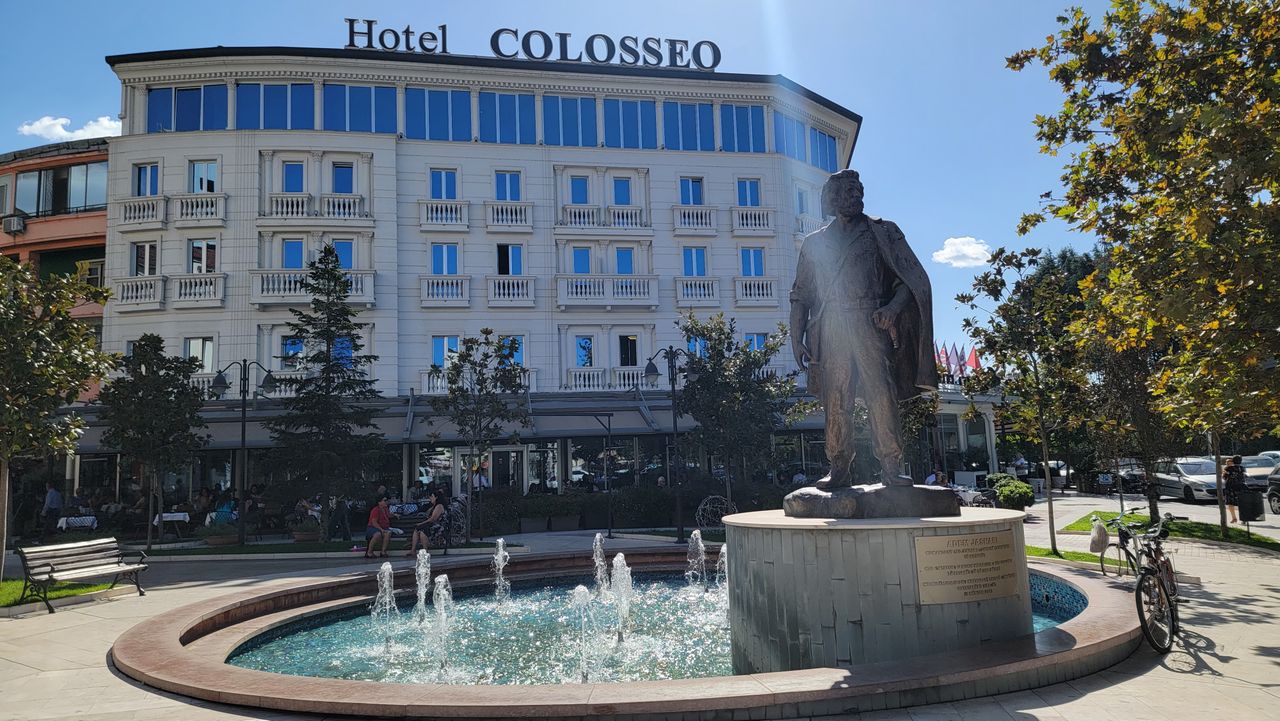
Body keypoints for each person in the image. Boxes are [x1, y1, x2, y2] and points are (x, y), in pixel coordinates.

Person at [789, 169, 937, 488]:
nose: (856, 196)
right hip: (831, 328)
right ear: (832, 199)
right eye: (848, 191)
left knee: (880, 394)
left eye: (859, 191)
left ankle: (891, 465)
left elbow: (910, 281)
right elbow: (801, 295)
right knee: (836, 398)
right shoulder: (814, 243)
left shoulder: (883, 232)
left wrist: (892, 309)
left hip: (871, 324)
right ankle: (838, 466)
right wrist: (795, 337)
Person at [405, 490, 446, 556]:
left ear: (436, 497)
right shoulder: (433, 506)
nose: (430, 498)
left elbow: (433, 519)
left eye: (432, 496)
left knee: (423, 531)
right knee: (417, 529)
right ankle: (413, 550)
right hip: (431, 524)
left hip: (438, 526)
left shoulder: (439, 506)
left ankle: (425, 550)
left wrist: (421, 523)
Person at [1225, 455, 1247, 524]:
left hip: (1231, 487)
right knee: (1241, 503)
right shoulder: (1242, 468)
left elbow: (1224, 477)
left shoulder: (1229, 468)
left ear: (1233, 461)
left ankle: (1234, 518)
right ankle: (1244, 518)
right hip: (1241, 487)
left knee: (1230, 503)